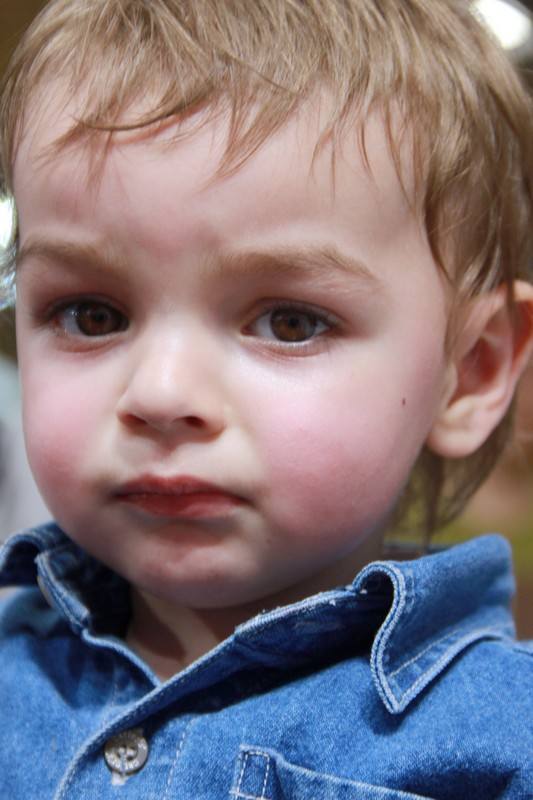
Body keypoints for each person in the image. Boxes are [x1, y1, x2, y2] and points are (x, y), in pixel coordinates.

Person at [0, 0, 532, 796]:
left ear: (472, 370)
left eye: (289, 322)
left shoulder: (502, 742)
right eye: (92, 315)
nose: (161, 394)